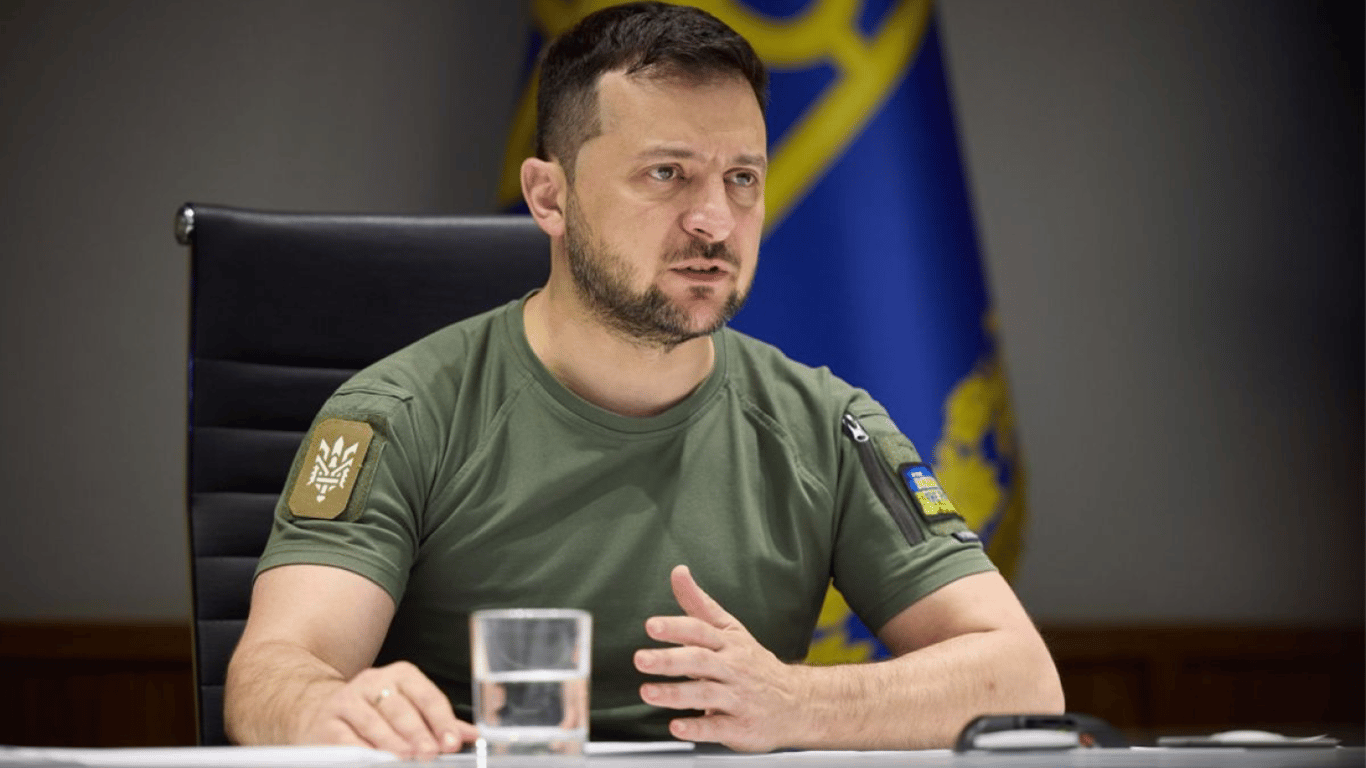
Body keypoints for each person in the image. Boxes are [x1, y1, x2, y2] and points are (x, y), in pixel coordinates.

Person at [224, 1, 1063, 759]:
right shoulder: (399, 414)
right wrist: (328, 708)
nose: (714, 220)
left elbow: (1022, 676)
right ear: (548, 197)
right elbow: (271, 672)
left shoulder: (823, 423)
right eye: (667, 174)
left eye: (742, 178)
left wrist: (796, 701)